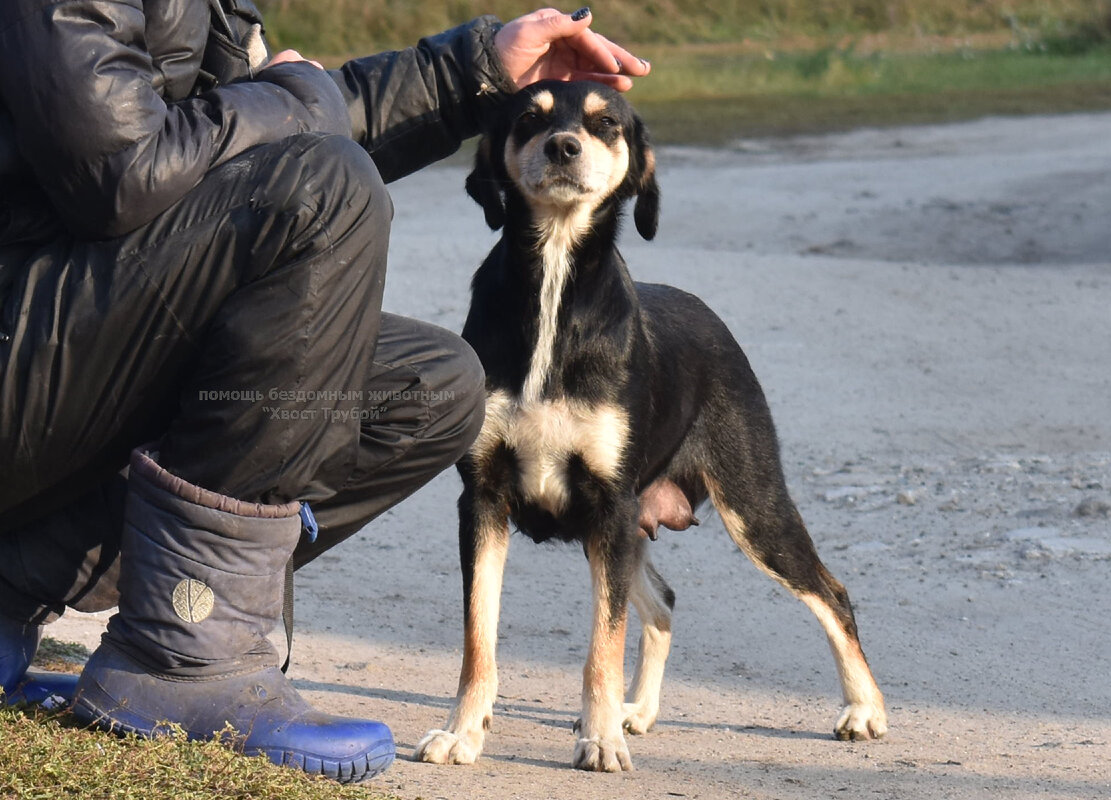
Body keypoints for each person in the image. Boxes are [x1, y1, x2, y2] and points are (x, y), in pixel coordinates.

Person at [0, 1, 647, 782]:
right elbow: (122, 172)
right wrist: (295, 99)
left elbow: (244, 131)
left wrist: (469, 72)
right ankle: (184, 654)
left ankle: (24, 583)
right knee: (323, 186)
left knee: (435, 388)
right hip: (23, 326)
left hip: (67, 333)